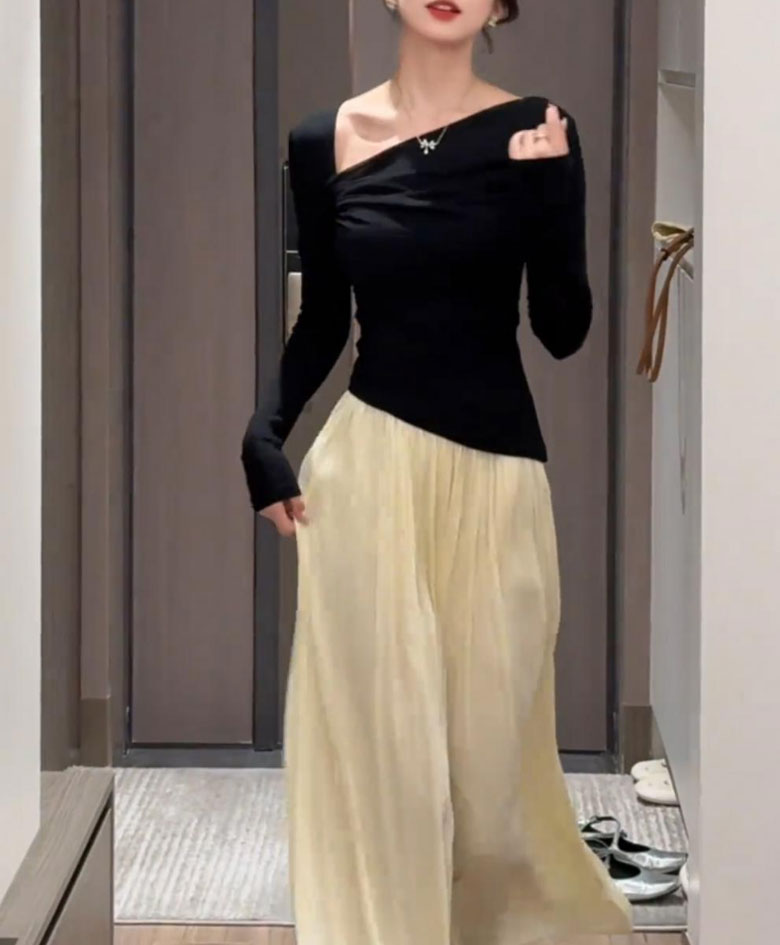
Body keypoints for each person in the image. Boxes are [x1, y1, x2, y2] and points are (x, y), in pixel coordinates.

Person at [241, 1, 634, 942]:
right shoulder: (322, 140)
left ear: (501, 6)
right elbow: (324, 320)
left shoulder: (539, 129)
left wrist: (549, 196)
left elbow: (563, 331)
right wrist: (265, 432)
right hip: (367, 477)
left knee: (491, 804)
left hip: (497, 482)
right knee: (390, 779)